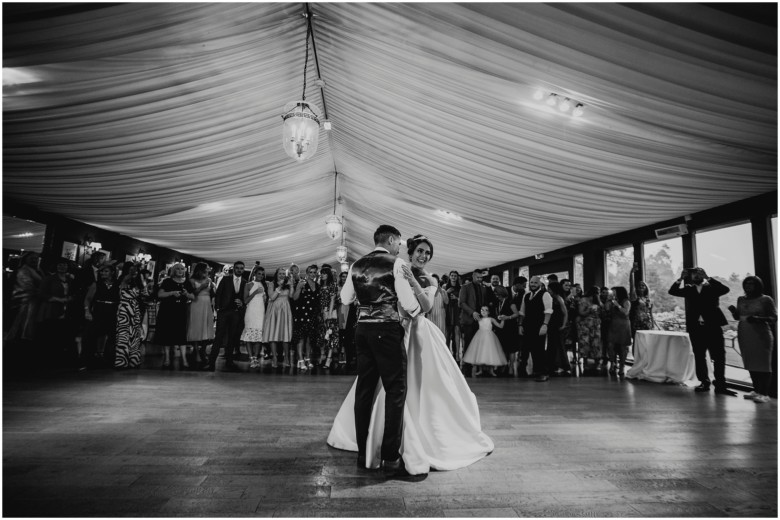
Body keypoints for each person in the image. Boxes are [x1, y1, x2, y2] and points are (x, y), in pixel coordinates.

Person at [328, 232, 493, 477]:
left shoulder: (428, 278)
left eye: (428, 253)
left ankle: (395, 444)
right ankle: (381, 447)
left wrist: (414, 284)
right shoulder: (396, 267)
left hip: (416, 333)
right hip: (393, 331)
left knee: (413, 386)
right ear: (409, 251)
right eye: (420, 251)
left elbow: (424, 308)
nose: (423, 256)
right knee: (387, 387)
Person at [669, 267, 736, 396]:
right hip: (696, 328)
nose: (696, 276)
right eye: (694, 274)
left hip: (713, 327)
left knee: (719, 357)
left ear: (703, 275)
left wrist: (708, 277)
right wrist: (680, 279)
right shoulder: (688, 289)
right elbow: (672, 291)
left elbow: (725, 289)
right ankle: (704, 382)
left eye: (699, 273)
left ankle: (720, 384)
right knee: (700, 356)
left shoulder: (712, 287)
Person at [728, 276, 776, 403]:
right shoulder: (741, 299)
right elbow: (738, 317)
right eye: (746, 284)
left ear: (758, 285)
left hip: (761, 334)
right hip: (744, 332)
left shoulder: (765, 299)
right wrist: (733, 312)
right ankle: (756, 390)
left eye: (752, 284)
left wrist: (758, 319)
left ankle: (764, 393)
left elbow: (774, 318)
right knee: (750, 362)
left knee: (763, 364)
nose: (748, 286)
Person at [205, 261, 246, 372]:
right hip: (224, 311)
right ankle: (211, 363)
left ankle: (229, 361)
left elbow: (245, 298)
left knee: (232, 338)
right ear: (234, 269)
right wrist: (218, 309)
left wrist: (242, 304)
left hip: (236, 313)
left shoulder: (244, 282)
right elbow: (218, 294)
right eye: (237, 268)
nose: (239, 270)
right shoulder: (225, 279)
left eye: (241, 268)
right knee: (219, 337)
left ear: (243, 269)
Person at [156, 263, 195, 369]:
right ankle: (167, 358)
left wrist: (186, 294)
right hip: (167, 310)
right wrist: (172, 293)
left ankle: (184, 359)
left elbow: (193, 296)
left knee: (181, 334)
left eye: (182, 269)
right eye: (177, 269)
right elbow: (160, 294)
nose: (180, 271)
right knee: (167, 334)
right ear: (173, 271)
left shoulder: (187, 282)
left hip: (181, 310)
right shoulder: (167, 281)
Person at [83, 263, 120, 368]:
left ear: (112, 273)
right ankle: (89, 360)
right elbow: (88, 299)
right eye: (102, 271)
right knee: (91, 334)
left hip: (113, 310)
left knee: (112, 336)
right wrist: (87, 311)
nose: (103, 273)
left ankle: (109, 359)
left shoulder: (118, 284)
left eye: (106, 271)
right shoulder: (96, 284)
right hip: (99, 309)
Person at [518, 276, 553, 382]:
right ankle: (526, 371)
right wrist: (520, 325)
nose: (533, 284)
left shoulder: (545, 294)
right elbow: (522, 312)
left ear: (540, 284)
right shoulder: (527, 295)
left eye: (535, 283)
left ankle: (543, 373)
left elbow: (548, 311)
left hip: (539, 326)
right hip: (527, 325)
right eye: (531, 282)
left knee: (539, 350)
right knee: (525, 349)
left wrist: (545, 324)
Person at [115, 268, 148, 369]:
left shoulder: (138, 283)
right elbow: (127, 279)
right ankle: (121, 361)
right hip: (124, 309)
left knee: (135, 334)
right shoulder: (122, 282)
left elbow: (146, 294)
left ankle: (133, 360)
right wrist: (134, 271)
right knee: (123, 334)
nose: (135, 274)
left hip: (135, 309)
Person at [462, 305, 508, 377]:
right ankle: (480, 370)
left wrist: (503, 320)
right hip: (480, 337)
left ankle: (491, 370)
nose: (483, 311)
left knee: (490, 352)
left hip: (489, 337)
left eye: (485, 310)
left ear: (489, 312)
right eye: (482, 310)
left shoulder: (491, 319)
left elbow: (500, 326)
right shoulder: (479, 319)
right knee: (480, 352)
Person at [262, 267, 293, 370]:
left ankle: (287, 358)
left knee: (285, 334)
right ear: (276, 274)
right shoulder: (272, 283)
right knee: (273, 333)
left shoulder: (288, 284)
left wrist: (291, 286)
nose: (282, 275)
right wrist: (279, 287)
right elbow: (272, 297)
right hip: (275, 309)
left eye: (284, 273)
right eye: (280, 273)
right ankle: (274, 357)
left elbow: (292, 296)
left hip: (285, 309)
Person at [291, 264, 321, 372]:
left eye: (314, 272)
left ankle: (308, 359)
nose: (312, 274)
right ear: (307, 273)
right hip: (302, 313)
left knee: (309, 338)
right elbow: (294, 298)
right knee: (301, 337)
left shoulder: (317, 285)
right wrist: (298, 288)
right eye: (310, 272)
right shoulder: (302, 283)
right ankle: (300, 360)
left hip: (312, 313)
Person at [187, 263, 215, 369]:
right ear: (200, 270)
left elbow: (212, 294)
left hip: (207, 304)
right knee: (196, 327)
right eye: (206, 269)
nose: (207, 271)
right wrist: (202, 286)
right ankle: (197, 352)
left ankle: (202, 350)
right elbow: (192, 294)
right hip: (196, 304)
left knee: (206, 327)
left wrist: (212, 288)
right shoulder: (192, 280)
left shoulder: (209, 280)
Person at [241, 266, 267, 370]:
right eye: (259, 274)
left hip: (261, 312)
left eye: (262, 274)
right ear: (254, 274)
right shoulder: (248, 285)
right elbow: (245, 301)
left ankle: (256, 357)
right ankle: (251, 358)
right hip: (251, 312)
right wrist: (255, 292)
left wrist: (265, 299)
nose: (260, 276)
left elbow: (264, 300)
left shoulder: (264, 285)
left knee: (259, 337)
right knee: (249, 336)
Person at [546, 281, 571, 376]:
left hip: (558, 324)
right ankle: (552, 365)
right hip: (551, 324)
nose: (548, 291)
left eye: (549, 289)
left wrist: (564, 325)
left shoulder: (559, 298)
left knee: (560, 345)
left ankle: (564, 366)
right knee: (551, 345)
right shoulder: (550, 298)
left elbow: (565, 313)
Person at [605, 286, 632, 377]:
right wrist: (608, 301)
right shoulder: (612, 301)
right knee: (610, 345)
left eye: (614, 292)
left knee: (622, 346)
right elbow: (607, 310)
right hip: (613, 324)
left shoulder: (626, 301)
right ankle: (612, 363)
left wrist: (618, 305)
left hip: (623, 325)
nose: (612, 293)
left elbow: (626, 312)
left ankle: (621, 366)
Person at [317, 265, 339, 369]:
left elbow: (333, 299)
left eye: (324, 273)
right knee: (322, 334)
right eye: (321, 273)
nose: (322, 275)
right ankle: (322, 355)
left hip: (330, 312)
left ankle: (329, 359)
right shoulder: (320, 285)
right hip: (321, 312)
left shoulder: (332, 285)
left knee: (330, 334)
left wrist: (329, 313)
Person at [576, 287, 603, 375]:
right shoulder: (584, 300)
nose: (598, 294)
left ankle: (597, 362)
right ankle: (585, 362)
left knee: (596, 343)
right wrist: (590, 309)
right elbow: (581, 312)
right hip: (585, 325)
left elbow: (602, 311)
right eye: (597, 292)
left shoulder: (598, 300)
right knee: (585, 342)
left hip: (596, 325)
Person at [629, 263, 655, 338]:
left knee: (647, 343)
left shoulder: (648, 299)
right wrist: (632, 272)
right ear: (636, 288)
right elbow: (631, 285)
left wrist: (652, 324)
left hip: (647, 323)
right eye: (639, 285)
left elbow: (650, 313)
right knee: (637, 343)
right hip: (637, 323)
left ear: (646, 288)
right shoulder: (635, 297)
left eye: (643, 285)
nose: (641, 286)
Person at [444, 271, 462, 360]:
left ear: (457, 277)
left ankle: (457, 355)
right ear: (449, 277)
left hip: (457, 311)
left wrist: (456, 298)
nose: (453, 277)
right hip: (448, 311)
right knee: (447, 333)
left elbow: (462, 301)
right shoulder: (445, 287)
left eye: (455, 276)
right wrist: (446, 292)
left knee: (457, 332)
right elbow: (442, 300)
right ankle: (447, 353)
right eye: (452, 275)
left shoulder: (460, 288)